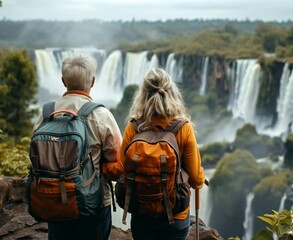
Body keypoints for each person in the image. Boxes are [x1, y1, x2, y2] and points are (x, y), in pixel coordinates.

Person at [32, 54, 122, 240]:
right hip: (93, 203)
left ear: (63, 81)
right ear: (93, 81)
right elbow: (117, 161)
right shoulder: (101, 115)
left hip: (54, 199)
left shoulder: (46, 113)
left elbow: (35, 155)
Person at [111, 68, 205, 239]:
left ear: (142, 95)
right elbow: (196, 180)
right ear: (172, 93)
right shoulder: (184, 129)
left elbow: (121, 169)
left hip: (141, 213)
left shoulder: (134, 128)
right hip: (176, 216)